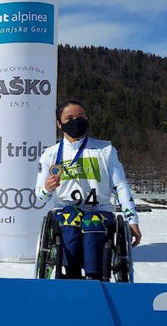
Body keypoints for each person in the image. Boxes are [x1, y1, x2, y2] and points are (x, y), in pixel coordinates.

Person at [35, 99, 142, 279]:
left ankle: (95, 276)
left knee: (92, 222)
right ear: (59, 124)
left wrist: (132, 220)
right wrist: (47, 188)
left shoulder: (105, 149)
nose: (76, 121)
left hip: (99, 211)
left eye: (81, 117)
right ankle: (72, 274)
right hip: (66, 211)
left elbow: (120, 186)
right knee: (71, 219)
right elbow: (40, 195)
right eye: (69, 118)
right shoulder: (50, 154)